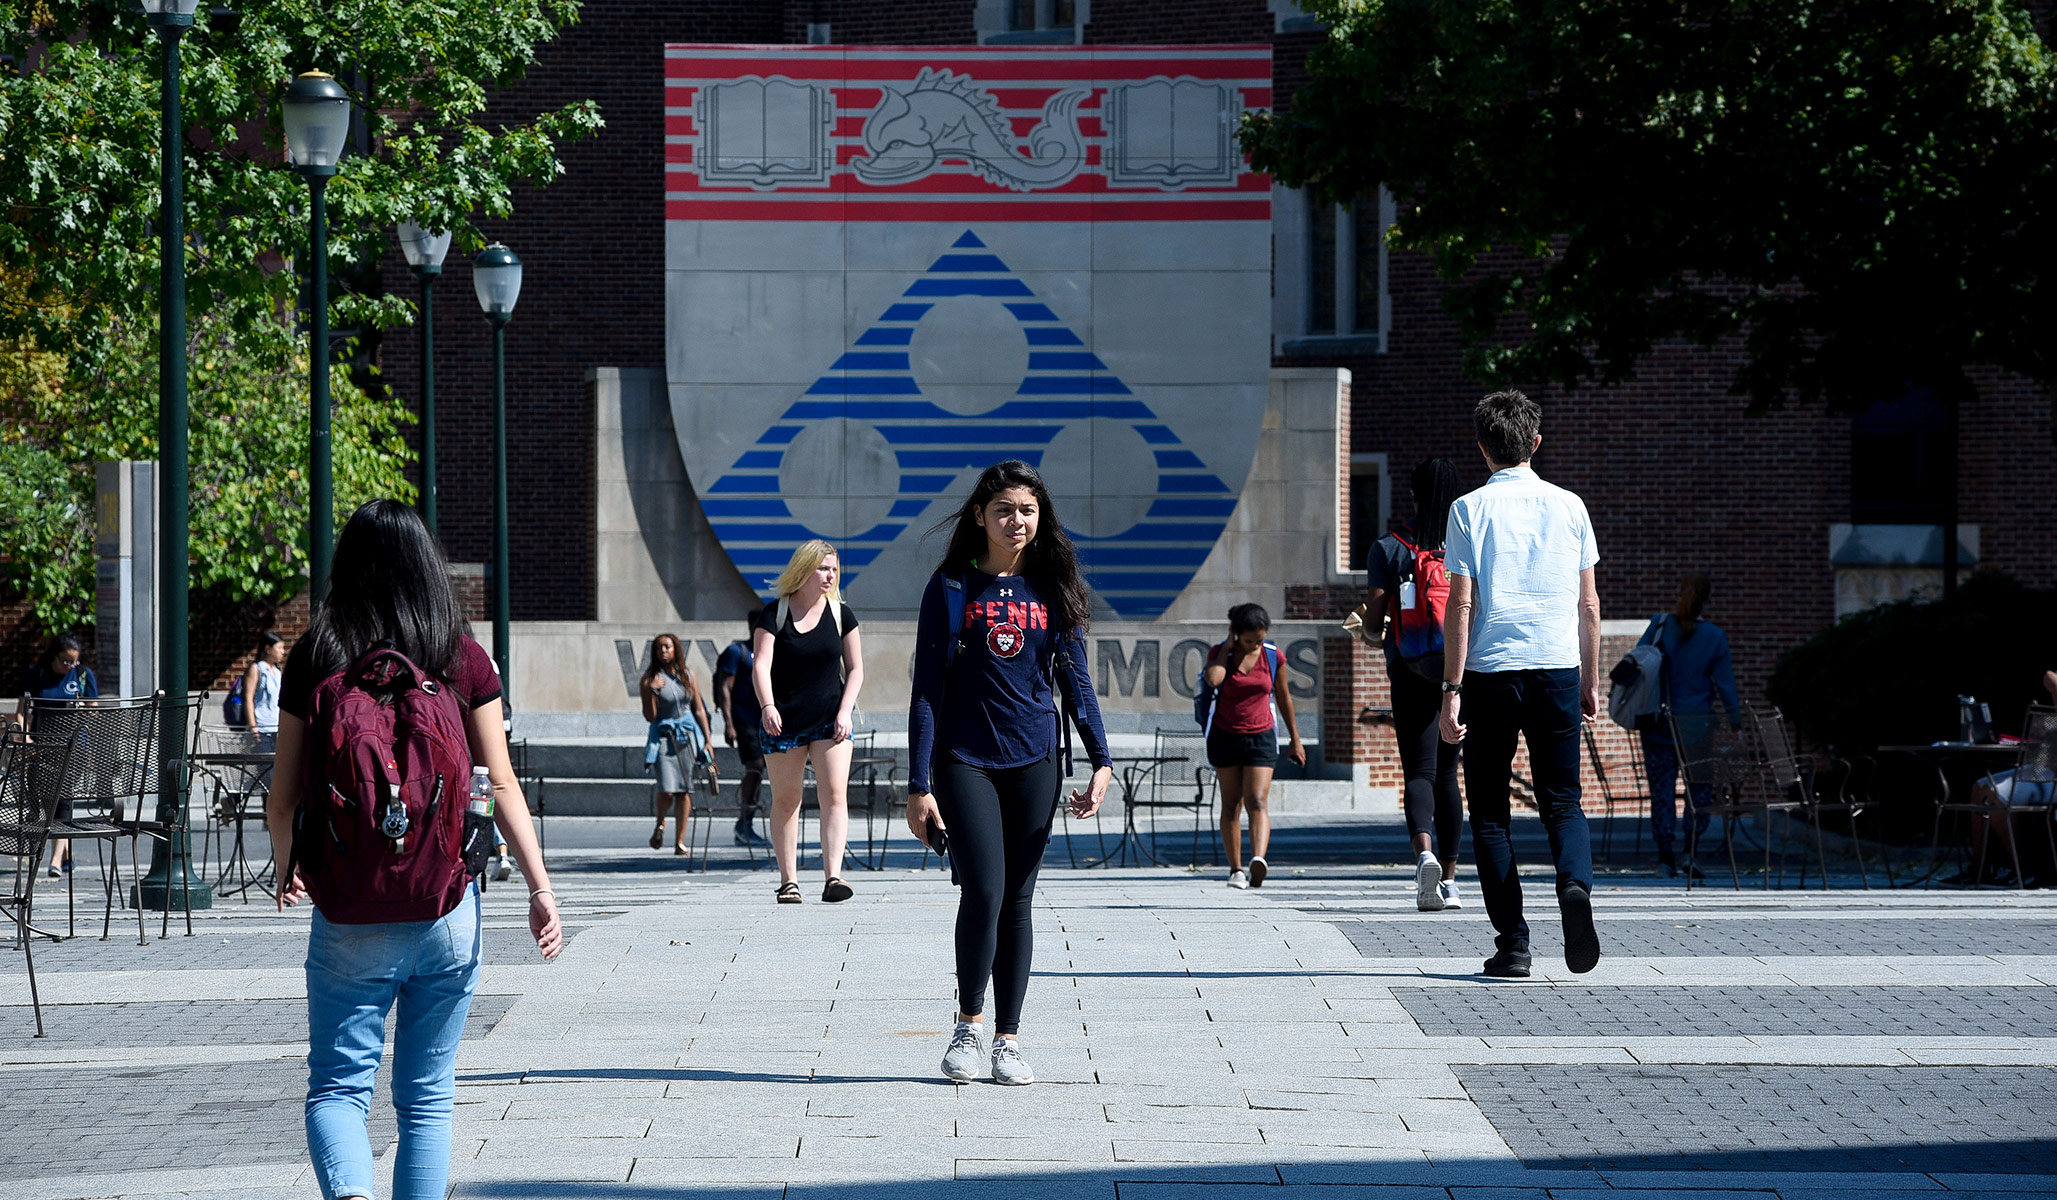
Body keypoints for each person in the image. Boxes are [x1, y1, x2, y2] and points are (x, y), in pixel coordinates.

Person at [262, 498, 559, 1200]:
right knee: (427, 1096)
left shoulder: (318, 653)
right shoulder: (459, 654)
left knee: (338, 1088)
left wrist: (288, 864)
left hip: (349, 905)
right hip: (446, 904)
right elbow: (499, 781)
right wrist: (541, 888)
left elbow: (283, 795)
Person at [905, 460, 1113, 1085]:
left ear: (1040, 516)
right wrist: (918, 785)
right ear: (980, 516)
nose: (1016, 520)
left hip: (1035, 760)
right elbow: (926, 691)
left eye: (1027, 510)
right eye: (1003, 510)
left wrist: (1101, 759)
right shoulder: (950, 586)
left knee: (1018, 900)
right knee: (984, 890)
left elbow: (1076, 680)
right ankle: (968, 1028)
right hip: (964, 759)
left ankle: (1007, 1040)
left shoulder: (1054, 586)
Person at [1438, 390, 1603, 979]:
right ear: (1536, 442)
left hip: (1491, 672)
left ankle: (1513, 945)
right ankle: (1574, 886)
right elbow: (1589, 604)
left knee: (1489, 813)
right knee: (1563, 801)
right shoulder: (1571, 506)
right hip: (1557, 667)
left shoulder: (1467, 509)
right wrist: (1589, 677)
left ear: (1482, 447)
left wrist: (1450, 689)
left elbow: (1461, 605)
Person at [1365, 458, 1468, 912]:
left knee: (1419, 772)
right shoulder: (1469, 544)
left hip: (1409, 670)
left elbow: (1373, 624)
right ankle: (1452, 880)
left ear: (1413, 494)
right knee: (1449, 773)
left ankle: (1424, 854)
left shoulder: (1390, 547)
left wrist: (1374, 631)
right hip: (1458, 673)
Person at [751, 539, 865, 903]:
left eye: (834, 569)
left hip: (831, 719)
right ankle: (789, 881)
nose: (830, 576)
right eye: (823, 568)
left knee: (834, 795)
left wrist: (845, 711)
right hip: (783, 721)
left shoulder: (841, 614)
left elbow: (856, 669)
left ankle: (834, 877)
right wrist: (768, 706)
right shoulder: (775, 613)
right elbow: (760, 665)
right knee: (787, 800)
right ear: (803, 569)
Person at [1635, 573, 1739, 879]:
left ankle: (1664, 857)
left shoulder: (1659, 626)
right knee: (1699, 789)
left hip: (1659, 724)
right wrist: (1737, 726)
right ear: (1708, 598)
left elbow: (1638, 664)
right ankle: (1690, 853)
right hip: (1698, 726)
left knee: (1662, 790)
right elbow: (1726, 686)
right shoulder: (1715, 637)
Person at [1202, 603, 1305, 889]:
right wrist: (1227, 646)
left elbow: (1284, 697)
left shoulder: (1273, 656)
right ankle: (1235, 869)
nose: (1255, 645)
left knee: (1257, 799)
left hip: (1261, 736)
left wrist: (1295, 739)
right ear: (1235, 633)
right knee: (1231, 803)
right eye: (1249, 641)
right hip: (1225, 736)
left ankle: (1258, 860)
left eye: (1259, 639)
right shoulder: (1220, 654)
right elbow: (1213, 679)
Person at [1958, 668, 2057, 885]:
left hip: (2052, 776)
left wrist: (2053, 683)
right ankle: (1981, 868)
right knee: (1980, 786)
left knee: (1995, 792)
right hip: (2046, 766)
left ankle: (2020, 870)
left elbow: (2051, 681)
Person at [22, 632, 97, 877]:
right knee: (43, 801)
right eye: (65, 661)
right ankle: (65, 852)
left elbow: (94, 709)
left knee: (62, 799)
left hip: (73, 750)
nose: (70, 666)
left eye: (74, 661)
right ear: (53, 657)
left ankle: (54, 860)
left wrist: (84, 710)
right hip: (42, 748)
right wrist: (26, 738)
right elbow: (22, 712)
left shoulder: (83, 675)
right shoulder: (37, 674)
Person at [641, 632, 715, 858]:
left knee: (685, 789)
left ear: (676, 650)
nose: (663, 651)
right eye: (659, 648)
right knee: (667, 789)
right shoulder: (650, 679)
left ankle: (680, 842)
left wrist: (708, 740)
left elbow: (699, 709)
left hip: (687, 737)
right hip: (664, 737)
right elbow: (650, 716)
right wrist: (652, 691)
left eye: (667, 647)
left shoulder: (688, 675)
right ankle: (660, 823)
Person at [713, 610, 769, 849]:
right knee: (755, 766)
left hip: (766, 720)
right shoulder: (738, 652)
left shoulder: (771, 652)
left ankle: (750, 821)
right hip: (744, 719)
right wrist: (729, 724)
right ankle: (744, 823)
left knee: (762, 769)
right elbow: (725, 688)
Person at [242, 631, 288, 745]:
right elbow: (248, 698)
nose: (283, 652)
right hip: (262, 729)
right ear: (268, 649)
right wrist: (253, 728)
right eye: (279, 648)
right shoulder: (257, 668)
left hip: (276, 728)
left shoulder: (277, 672)